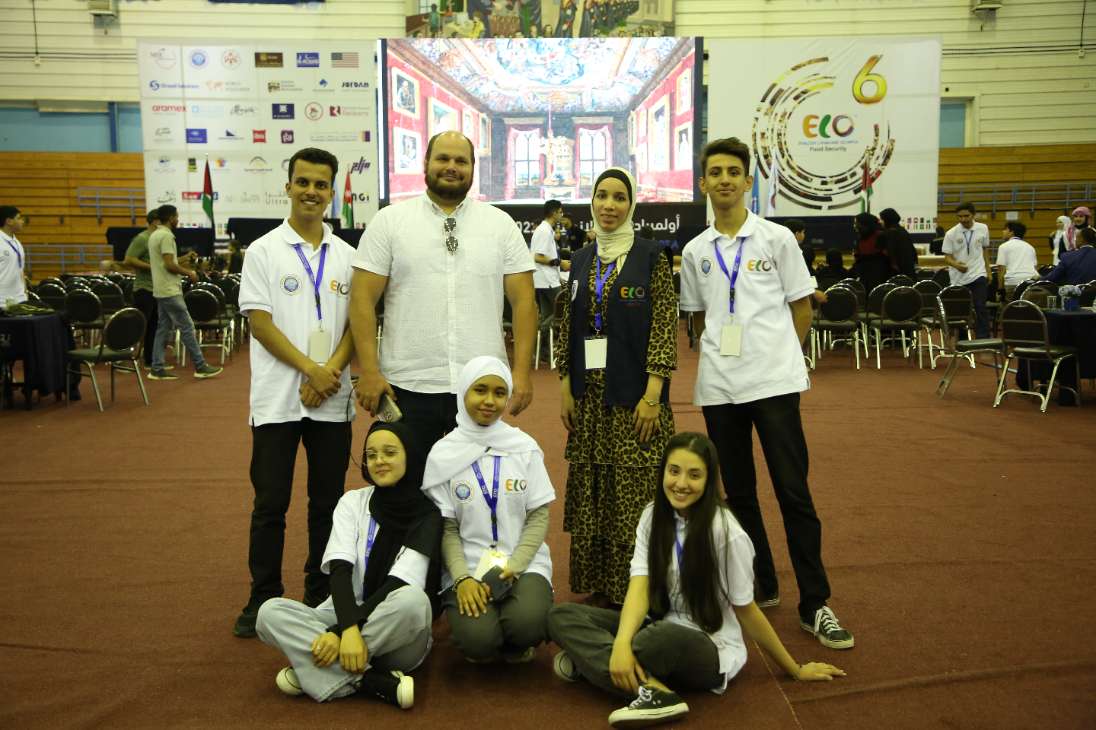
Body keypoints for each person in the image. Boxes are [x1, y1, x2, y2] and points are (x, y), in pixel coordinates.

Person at [679, 137, 854, 650]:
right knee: (739, 495)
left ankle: (815, 603)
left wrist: (780, 356)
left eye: (734, 172)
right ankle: (763, 583)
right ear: (703, 183)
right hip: (719, 387)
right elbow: (698, 319)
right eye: (716, 172)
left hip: (775, 384)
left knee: (793, 492)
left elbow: (802, 307)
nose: (725, 180)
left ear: (747, 181)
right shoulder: (695, 251)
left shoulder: (776, 239)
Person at [547, 433, 845, 728]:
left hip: (709, 646)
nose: (681, 483)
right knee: (560, 616)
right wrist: (623, 644)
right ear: (662, 471)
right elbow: (639, 588)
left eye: (694, 475)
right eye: (674, 471)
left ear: (709, 480)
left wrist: (795, 669)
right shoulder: (652, 515)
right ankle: (654, 690)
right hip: (658, 624)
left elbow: (747, 611)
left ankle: (595, 664)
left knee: (655, 640)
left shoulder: (727, 533)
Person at [233, 148, 357, 638]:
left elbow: (356, 327)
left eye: (320, 184)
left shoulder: (348, 256)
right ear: (287, 187)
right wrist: (311, 369)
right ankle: (262, 597)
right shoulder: (263, 251)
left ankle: (320, 591)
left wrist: (330, 372)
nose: (311, 192)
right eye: (302, 182)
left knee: (328, 503)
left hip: (333, 399)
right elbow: (260, 324)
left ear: (331, 192)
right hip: (277, 400)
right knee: (270, 504)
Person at [349, 131, 536, 453]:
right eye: (443, 158)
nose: (451, 166)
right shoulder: (390, 221)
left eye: (461, 161)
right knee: (409, 483)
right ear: (426, 163)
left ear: (473, 168)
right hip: (406, 384)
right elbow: (362, 300)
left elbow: (524, 304)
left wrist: (521, 373)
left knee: (477, 484)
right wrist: (368, 370)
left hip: (481, 386)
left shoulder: (500, 225)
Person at [555, 167, 677, 607]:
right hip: (589, 399)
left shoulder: (651, 257)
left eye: (619, 197)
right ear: (592, 201)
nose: (609, 205)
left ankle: (637, 589)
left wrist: (653, 395)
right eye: (602, 196)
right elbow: (568, 325)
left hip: (635, 396)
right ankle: (603, 585)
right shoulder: (582, 259)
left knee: (634, 494)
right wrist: (565, 386)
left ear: (632, 204)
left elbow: (664, 325)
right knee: (595, 490)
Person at [255, 421, 442, 708]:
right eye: (371, 455)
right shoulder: (352, 501)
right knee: (269, 612)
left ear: (410, 456)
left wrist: (340, 633)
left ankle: (315, 667)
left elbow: (399, 583)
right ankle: (370, 681)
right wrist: (345, 627)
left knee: (413, 601)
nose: (379, 461)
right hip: (343, 611)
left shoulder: (428, 514)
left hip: (395, 634)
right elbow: (339, 570)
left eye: (390, 452)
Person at [422, 356, 555, 663]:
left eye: (499, 392)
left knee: (528, 624)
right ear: (463, 392)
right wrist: (462, 579)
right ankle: (482, 633)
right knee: (478, 640)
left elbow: (538, 515)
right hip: (468, 565)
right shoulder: (443, 454)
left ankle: (519, 630)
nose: (490, 401)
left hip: (523, 562)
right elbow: (447, 528)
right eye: (480, 390)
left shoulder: (523, 447)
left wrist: (516, 564)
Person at [146, 205, 223, 380]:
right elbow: (169, 265)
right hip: (170, 290)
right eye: (176, 216)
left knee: (163, 328)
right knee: (187, 327)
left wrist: (185, 258)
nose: (178, 219)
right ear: (170, 218)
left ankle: (157, 367)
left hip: (160, 288)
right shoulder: (166, 236)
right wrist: (189, 272)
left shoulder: (155, 235)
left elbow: (166, 262)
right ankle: (200, 366)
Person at [942, 202, 991, 338]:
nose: (963, 219)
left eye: (966, 216)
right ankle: (962, 339)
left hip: (978, 273)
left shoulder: (983, 228)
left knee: (980, 306)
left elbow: (985, 250)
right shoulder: (951, 233)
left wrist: (988, 271)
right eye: (960, 216)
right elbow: (947, 258)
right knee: (961, 310)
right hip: (958, 277)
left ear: (973, 215)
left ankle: (983, 337)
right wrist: (957, 265)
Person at [124, 211, 162, 368]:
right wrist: (152, 267)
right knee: (140, 326)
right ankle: (128, 358)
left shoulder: (157, 239)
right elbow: (129, 259)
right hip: (144, 289)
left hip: (156, 289)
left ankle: (149, 361)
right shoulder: (142, 238)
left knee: (153, 326)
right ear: (154, 221)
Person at [531, 199, 564, 358]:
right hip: (547, 281)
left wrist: (558, 273)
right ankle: (536, 336)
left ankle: (542, 351)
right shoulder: (544, 230)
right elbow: (538, 257)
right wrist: (560, 263)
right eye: (561, 212)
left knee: (548, 315)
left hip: (546, 280)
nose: (562, 215)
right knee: (564, 310)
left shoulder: (546, 230)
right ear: (554, 213)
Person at [994, 221, 1038, 299]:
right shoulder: (1030, 247)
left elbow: (1001, 269)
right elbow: (1035, 267)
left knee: (1009, 306)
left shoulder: (1004, 246)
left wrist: (1000, 289)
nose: (1003, 231)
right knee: (1028, 306)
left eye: (1005, 229)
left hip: (1013, 283)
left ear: (1011, 232)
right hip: (1031, 283)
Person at [850, 212, 890, 294]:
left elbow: (884, 256)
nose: (855, 226)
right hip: (864, 275)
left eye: (857, 223)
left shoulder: (880, 236)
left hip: (878, 275)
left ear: (865, 224)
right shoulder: (860, 238)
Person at [0, 205, 28, 306]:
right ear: (9, 221)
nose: (22, 221)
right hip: (2, 301)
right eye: (19, 218)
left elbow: (20, 270)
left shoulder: (16, 242)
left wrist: (24, 292)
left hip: (19, 299)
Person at [879, 208, 917, 277]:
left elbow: (890, 250)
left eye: (882, 219)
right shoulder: (902, 230)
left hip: (897, 270)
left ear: (887, 220)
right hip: (908, 267)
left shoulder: (890, 232)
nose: (880, 222)